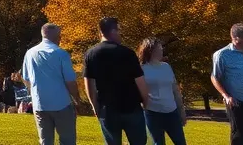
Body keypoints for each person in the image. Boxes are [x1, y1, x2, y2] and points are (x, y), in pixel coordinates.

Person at [84, 17, 149, 145]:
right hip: (131, 108)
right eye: (119, 30)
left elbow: (89, 83)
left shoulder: (91, 54)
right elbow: (140, 81)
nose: (121, 34)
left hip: (107, 110)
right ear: (113, 31)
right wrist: (146, 101)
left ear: (101, 33)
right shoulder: (127, 53)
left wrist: (94, 106)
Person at [22, 23, 81, 145]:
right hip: (62, 104)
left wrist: (34, 93)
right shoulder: (61, 54)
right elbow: (70, 81)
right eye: (59, 36)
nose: (60, 38)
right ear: (56, 37)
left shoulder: (30, 53)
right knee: (67, 141)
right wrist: (77, 100)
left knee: (45, 141)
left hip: (40, 105)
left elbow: (26, 78)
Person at [212, 22, 243, 145]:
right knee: (239, 136)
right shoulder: (222, 55)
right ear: (236, 38)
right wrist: (226, 96)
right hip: (237, 103)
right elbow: (215, 77)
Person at [138, 38, 185, 145]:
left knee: (180, 142)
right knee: (158, 143)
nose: (161, 50)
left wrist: (181, 111)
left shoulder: (166, 67)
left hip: (171, 112)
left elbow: (175, 90)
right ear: (150, 50)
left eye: (161, 48)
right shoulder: (141, 69)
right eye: (159, 48)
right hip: (152, 113)